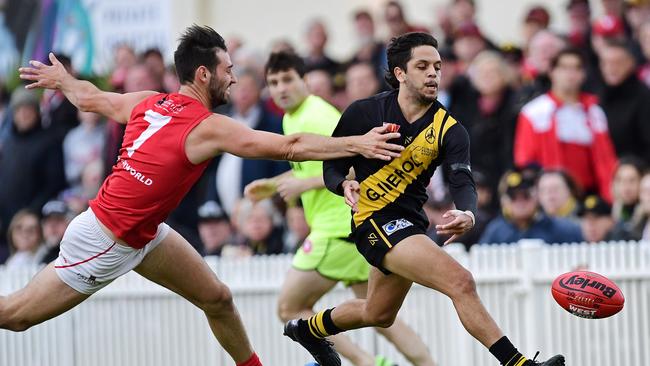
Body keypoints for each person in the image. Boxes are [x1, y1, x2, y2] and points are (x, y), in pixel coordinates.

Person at [9, 25, 404, 366]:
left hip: (142, 235)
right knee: (17, 315)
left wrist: (64, 82)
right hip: (105, 240)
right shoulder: (205, 126)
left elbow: (89, 97)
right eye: (228, 70)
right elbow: (291, 145)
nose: (233, 79)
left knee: (218, 298)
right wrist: (358, 143)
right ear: (203, 73)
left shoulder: (148, 101)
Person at [283, 32, 565, 366]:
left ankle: (307, 328)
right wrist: (342, 185)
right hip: (372, 219)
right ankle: (518, 364)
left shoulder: (450, 128)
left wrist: (469, 213)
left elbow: (462, 179)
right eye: (422, 66)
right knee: (460, 281)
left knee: (379, 313)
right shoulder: (365, 112)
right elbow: (334, 163)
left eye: (437, 66)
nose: (433, 73)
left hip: (409, 223)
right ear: (400, 73)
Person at [245, 51, 435, 366]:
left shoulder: (316, 116)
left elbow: (358, 167)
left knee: (290, 308)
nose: (281, 88)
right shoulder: (292, 117)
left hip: (336, 229)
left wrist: (303, 185)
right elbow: (315, 167)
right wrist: (273, 184)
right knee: (379, 313)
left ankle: (364, 363)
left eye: (288, 79)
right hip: (354, 226)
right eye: (274, 82)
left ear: (305, 81)